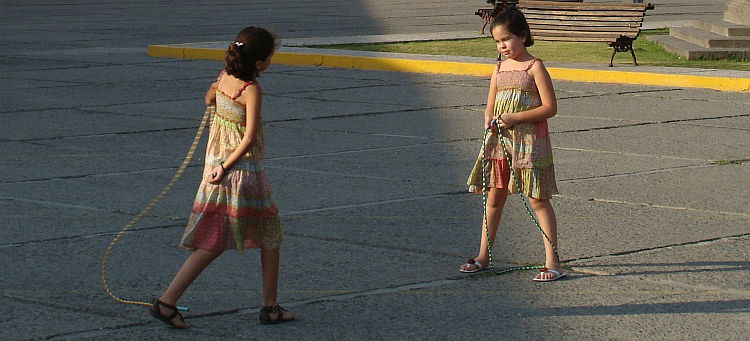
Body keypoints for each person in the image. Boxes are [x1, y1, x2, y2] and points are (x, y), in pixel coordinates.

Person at [149, 26, 294, 328]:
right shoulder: (251, 89)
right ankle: (168, 301)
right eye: (270, 57)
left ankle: (268, 306)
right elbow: (250, 138)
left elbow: (207, 100)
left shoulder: (224, 77)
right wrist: (227, 166)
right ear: (258, 63)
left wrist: (219, 89)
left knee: (239, 236)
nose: (271, 61)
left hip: (216, 166)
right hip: (239, 171)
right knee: (255, 236)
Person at [460, 8, 565, 282]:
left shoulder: (535, 67)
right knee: (493, 197)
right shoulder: (498, 68)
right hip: (499, 142)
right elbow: (490, 105)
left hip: (530, 143)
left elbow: (550, 107)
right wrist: (488, 120)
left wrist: (514, 118)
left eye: (507, 39)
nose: (502, 46)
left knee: (537, 199)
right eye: (497, 42)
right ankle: (483, 256)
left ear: (523, 35)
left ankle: (553, 262)